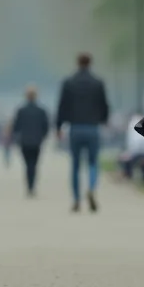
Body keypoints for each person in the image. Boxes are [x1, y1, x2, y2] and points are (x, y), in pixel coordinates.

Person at [56, 53, 111, 213]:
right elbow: (104, 105)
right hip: (92, 127)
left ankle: (76, 199)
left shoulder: (68, 83)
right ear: (90, 63)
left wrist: (59, 127)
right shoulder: (98, 83)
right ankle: (92, 188)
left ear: (77, 63)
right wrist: (104, 120)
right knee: (93, 162)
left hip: (75, 127)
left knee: (75, 165)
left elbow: (62, 106)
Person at [9, 85, 51, 197]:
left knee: (27, 165)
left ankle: (29, 186)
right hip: (37, 141)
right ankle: (32, 186)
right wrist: (42, 136)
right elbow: (46, 127)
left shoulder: (21, 111)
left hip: (24, 142)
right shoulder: (41, 111)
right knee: (34, 164)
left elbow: (16, 127)